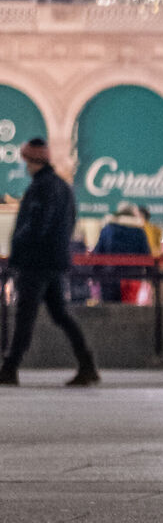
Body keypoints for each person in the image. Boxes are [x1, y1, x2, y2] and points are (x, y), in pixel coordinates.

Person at [0, 137, 99, 387]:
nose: (25, 166)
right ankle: (87, 363)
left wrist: (20, 249)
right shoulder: (62, 187)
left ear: (33, 161)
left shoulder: (41, 188)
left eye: (26, 161)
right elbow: (67, 222)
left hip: (36, 262)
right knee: (60, 314)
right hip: (54, 261)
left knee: (25, 315)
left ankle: (10, 367)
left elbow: (36, 225)